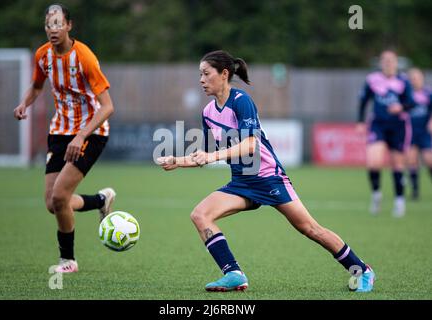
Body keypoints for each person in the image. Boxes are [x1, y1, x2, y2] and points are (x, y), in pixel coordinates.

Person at [157, 50, 375, 292]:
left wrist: (212, 155)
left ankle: (362, 270)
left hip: (267, 176)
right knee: (200, 215)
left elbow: (251, 144)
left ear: (224, 74)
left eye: (206, 74)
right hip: (241, 182)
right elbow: (206, 155)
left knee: (310, 229)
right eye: (200, 74)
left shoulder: (241, 101)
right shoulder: (208, 113)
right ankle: (233, 273)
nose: (201, 79)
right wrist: (178, 160)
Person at [13, 4, 116, 273]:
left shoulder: (85, 57)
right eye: (49, 24)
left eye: (58, 24)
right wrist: (25, 103)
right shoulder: (43, 55)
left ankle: (68, 261)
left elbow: (107, 107)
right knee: (53, 203)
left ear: (69, 25)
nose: (53, 30)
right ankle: (100, 201)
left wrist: (81, 135)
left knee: (60, 197)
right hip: (59, 131)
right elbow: (37, 86)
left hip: (91, 133)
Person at [356, 50, 414, 217]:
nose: (388, 63)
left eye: (391, 60)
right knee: (373, 162)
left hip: (398, 126)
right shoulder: (372, 79)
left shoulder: (403, 81)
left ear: (397, 62)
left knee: (397, 164)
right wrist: (360, 121)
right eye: (385, 60)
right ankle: (376, 195)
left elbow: (411, 102)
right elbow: (363, 100)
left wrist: (401, 107)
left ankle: (399, 201)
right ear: (380, 62)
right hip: (378, 125)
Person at [406, 68, 432, 199]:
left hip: (425, 132)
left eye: (416, 77)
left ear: (422, 78)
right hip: (409, 132)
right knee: (412, 160)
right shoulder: (406, 94)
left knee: (429, 160)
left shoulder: (428, 93)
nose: (414, 80)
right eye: (412, 78)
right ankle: (415, 191)